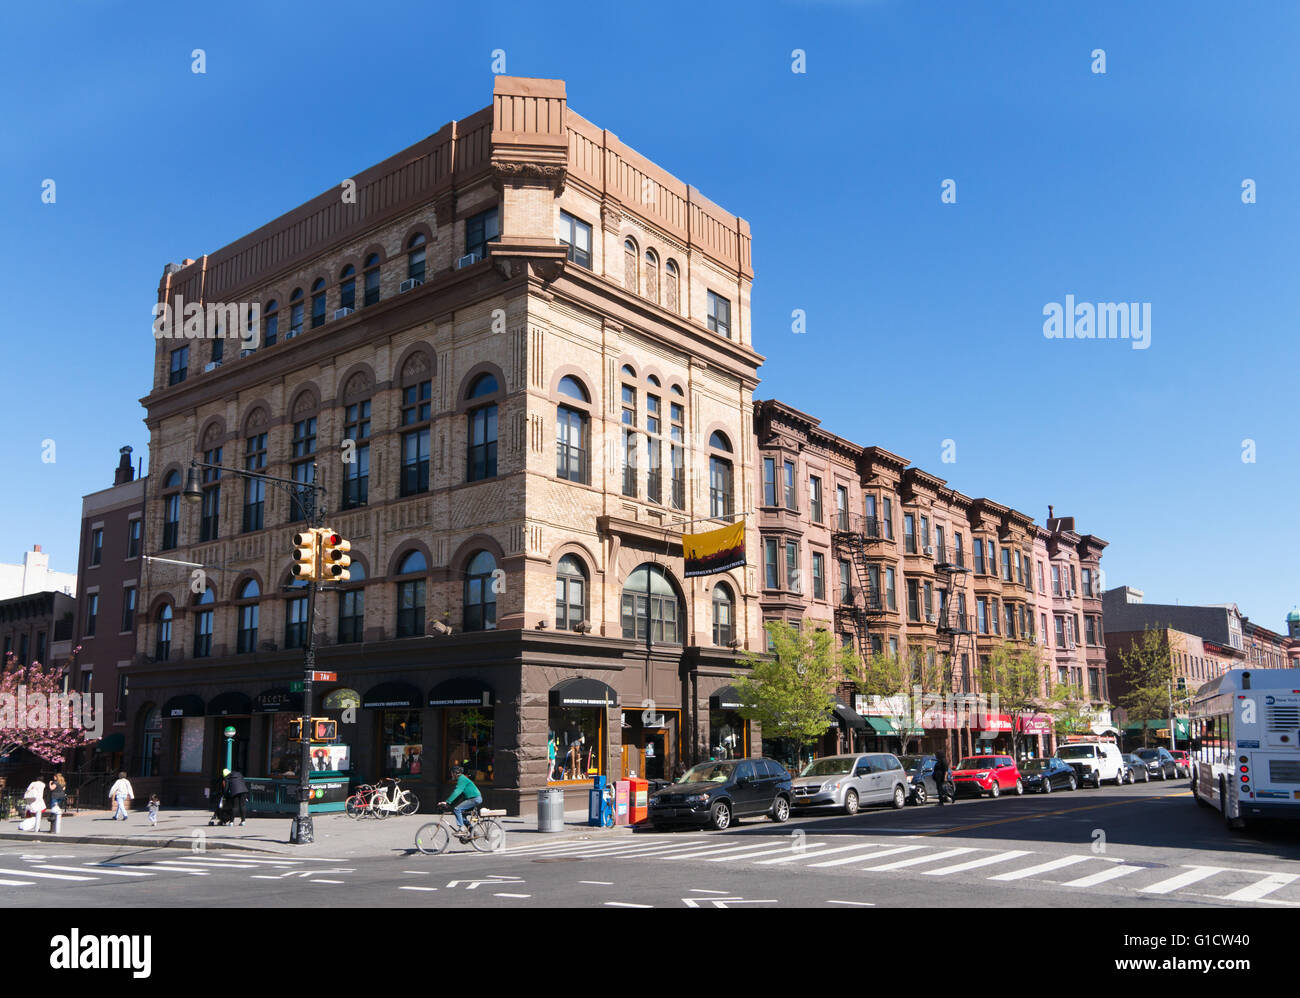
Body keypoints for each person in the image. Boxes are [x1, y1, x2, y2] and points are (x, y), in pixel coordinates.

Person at [438, 765, 482, 837]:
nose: (451, 775)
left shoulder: (462, 779)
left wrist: (447, 802)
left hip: (474, 798)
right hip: (474, 799)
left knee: (457, 809)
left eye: (452, 773)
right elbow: (459, 795)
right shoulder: (462, 779)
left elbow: (457, 791)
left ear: (455, 773)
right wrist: (449, 804)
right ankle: (473, 831)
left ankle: (461, 829)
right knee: (462, 815)